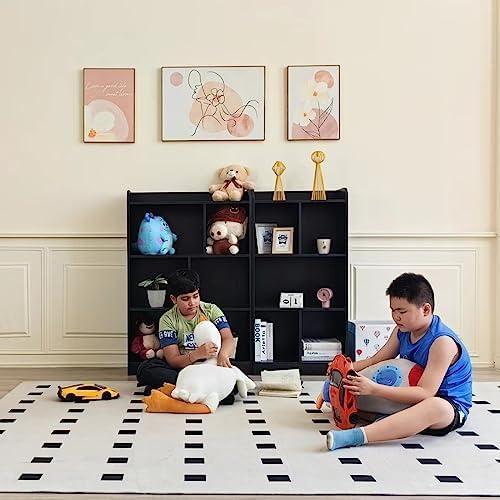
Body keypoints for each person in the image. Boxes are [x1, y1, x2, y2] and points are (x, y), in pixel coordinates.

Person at [326, 272, 472, 450]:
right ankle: (388, 421)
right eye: (393, 310)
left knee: (436, 406)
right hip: (411, 397)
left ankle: (357, 436)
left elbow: (425, 393)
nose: (396, 317)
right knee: (356, 390)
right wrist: (344, 368)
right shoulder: (402, 331)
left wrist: (374, 389)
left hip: (446, 406)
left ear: (426, 309)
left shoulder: (442, 342)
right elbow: (375, 360)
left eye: (402, 311)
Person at [136, 268, 237, 403]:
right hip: (181, 368)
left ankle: (176, 389)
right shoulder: (167, 319)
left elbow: (228, 338)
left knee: (233, 382)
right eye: (185, 299)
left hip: (210, 367)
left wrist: (223, 355)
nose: (192, 303)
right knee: (146, 369)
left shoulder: (211, 310)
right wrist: (196, 354)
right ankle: (200, 390)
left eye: (195, 296)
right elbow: (173, 360)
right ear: (173, 299)